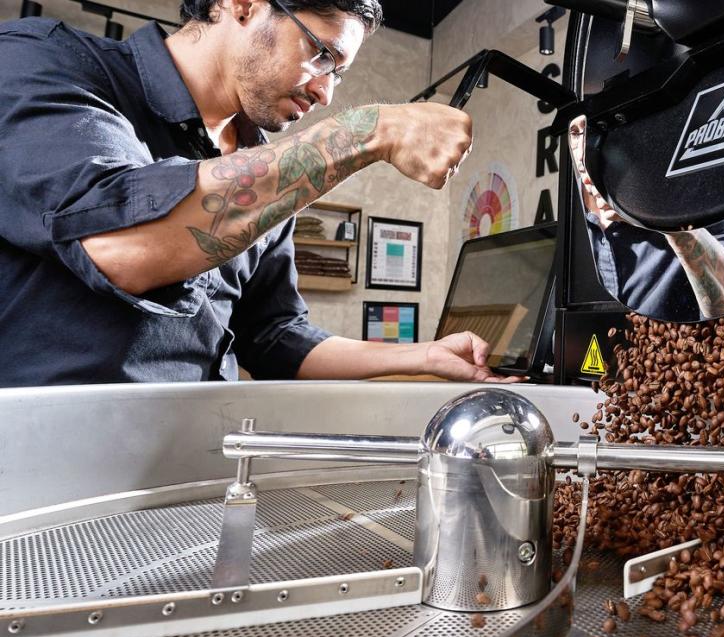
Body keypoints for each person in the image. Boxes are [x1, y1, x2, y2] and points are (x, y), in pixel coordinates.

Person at [0, 0, 518, 387]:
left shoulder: (262, 164)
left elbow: (272, 337)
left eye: (339, 74)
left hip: (196, 463)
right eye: (321, 55)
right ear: (242, 5)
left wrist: (424, 357)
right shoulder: (45, 61)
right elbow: (124, 246)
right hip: (44, 471)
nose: (325, 92)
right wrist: (364, 131)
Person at [567, 115, 724, 320]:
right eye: (576, 132)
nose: (584, 149)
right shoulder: (567, 216)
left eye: (599, 127)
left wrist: (656, 212)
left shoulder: (706, 193)